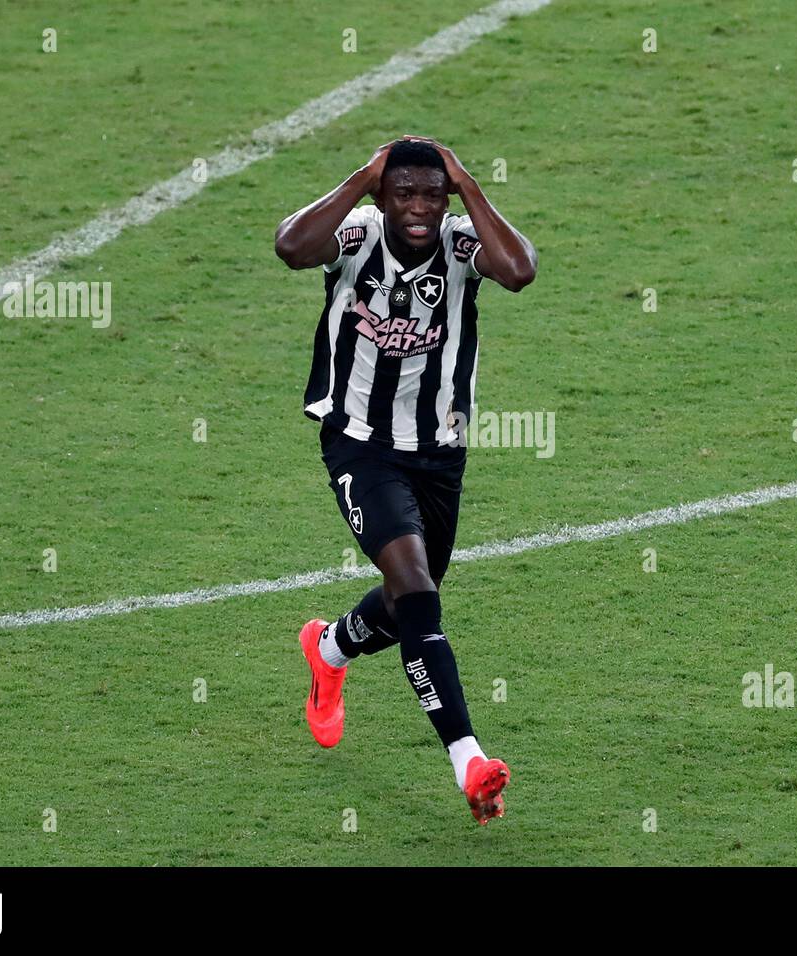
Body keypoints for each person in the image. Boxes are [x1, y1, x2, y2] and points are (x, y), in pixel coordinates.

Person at [275, 136, 538, 824]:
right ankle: (470, 761)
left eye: (431, 194)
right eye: (403, 194)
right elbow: (291, 248)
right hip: (360, 447)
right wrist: (361, 177)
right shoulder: (357, 235)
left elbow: (519, 271)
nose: (418, 208)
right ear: (382, 196)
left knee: (408, 603)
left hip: (440, 453)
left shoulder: (458, 246)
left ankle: (328, 648)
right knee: (418, 594)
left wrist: (469, 185)